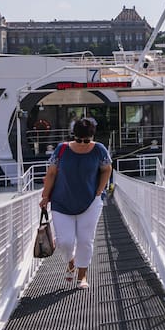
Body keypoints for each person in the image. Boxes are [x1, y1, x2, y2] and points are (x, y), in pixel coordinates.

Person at [39, 116, 112, 290]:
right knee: (65, 242)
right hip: (61, 202)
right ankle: (71, 262)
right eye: (79, 140)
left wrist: (99, 190)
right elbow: (51, 173)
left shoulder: (99, 150)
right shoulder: (62, 149)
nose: (82, 144)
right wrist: (45, 196)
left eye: (86, 141)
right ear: (74, 136)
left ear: (92, 137)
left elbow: (107, 169)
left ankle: (82, 275)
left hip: (90, 202)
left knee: (85, 240)